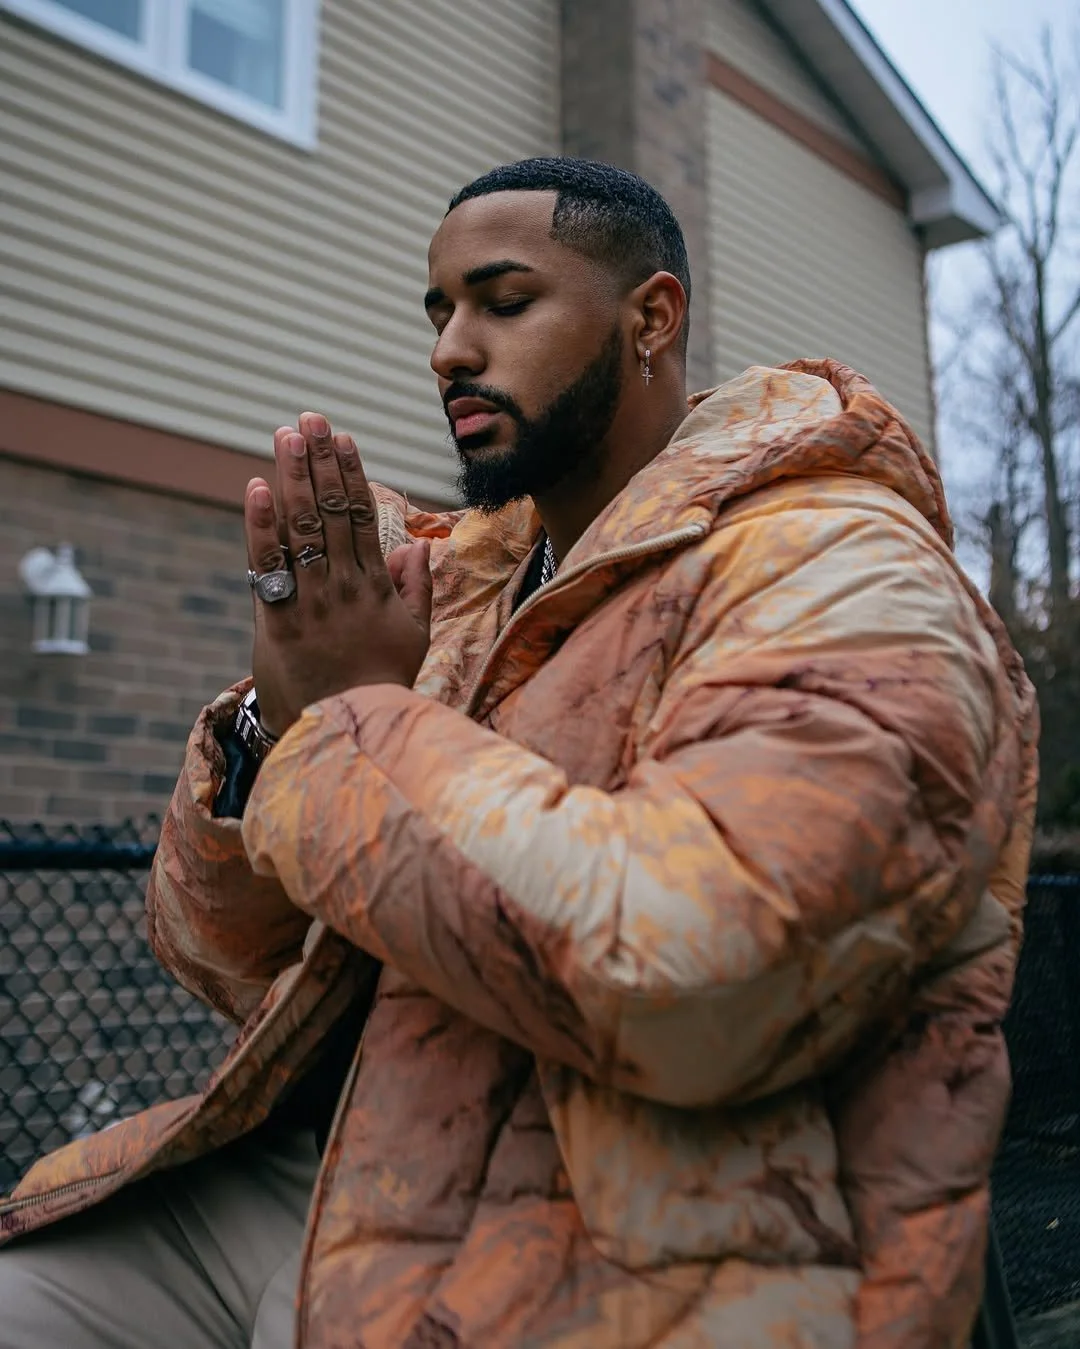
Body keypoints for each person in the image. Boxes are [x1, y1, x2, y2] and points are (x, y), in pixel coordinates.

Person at [0, 157, 1037, 1349]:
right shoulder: (454, 591)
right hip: (316, 1171)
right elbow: (221, 958)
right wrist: (272, 728)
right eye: (438, 311)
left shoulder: (842, 566)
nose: (449, 348)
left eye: (502, 301)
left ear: (651, 317)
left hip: (616, 1260)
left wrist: (347, 720)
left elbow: (701, 976)